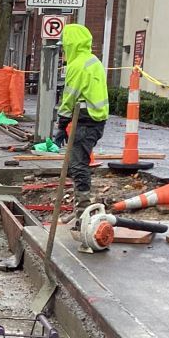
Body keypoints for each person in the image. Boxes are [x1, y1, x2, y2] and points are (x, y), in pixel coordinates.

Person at [56, 24, 108, 217]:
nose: (63, 50)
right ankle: (81, 207)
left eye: (64, 46)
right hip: (96, 120)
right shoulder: (93, 61)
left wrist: (61, 124)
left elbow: (69, 97)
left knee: (78, 166)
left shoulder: (77, 65)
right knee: (76, 163)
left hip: (85, 121)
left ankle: (83, 212)